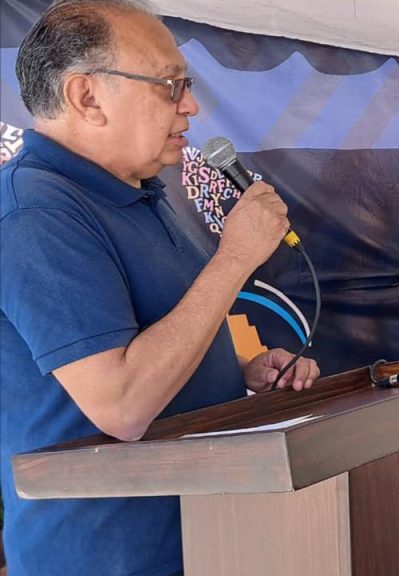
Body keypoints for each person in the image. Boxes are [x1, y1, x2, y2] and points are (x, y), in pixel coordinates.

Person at [0, 2, 320, 574]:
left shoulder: (137, 190)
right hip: (111, 551)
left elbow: (142, 337)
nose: (190, 106)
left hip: (204, 529)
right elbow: (121, 404)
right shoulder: (35, 211)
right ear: (86, 96)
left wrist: (236, 368)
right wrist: (235, 259)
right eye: (170, 86)